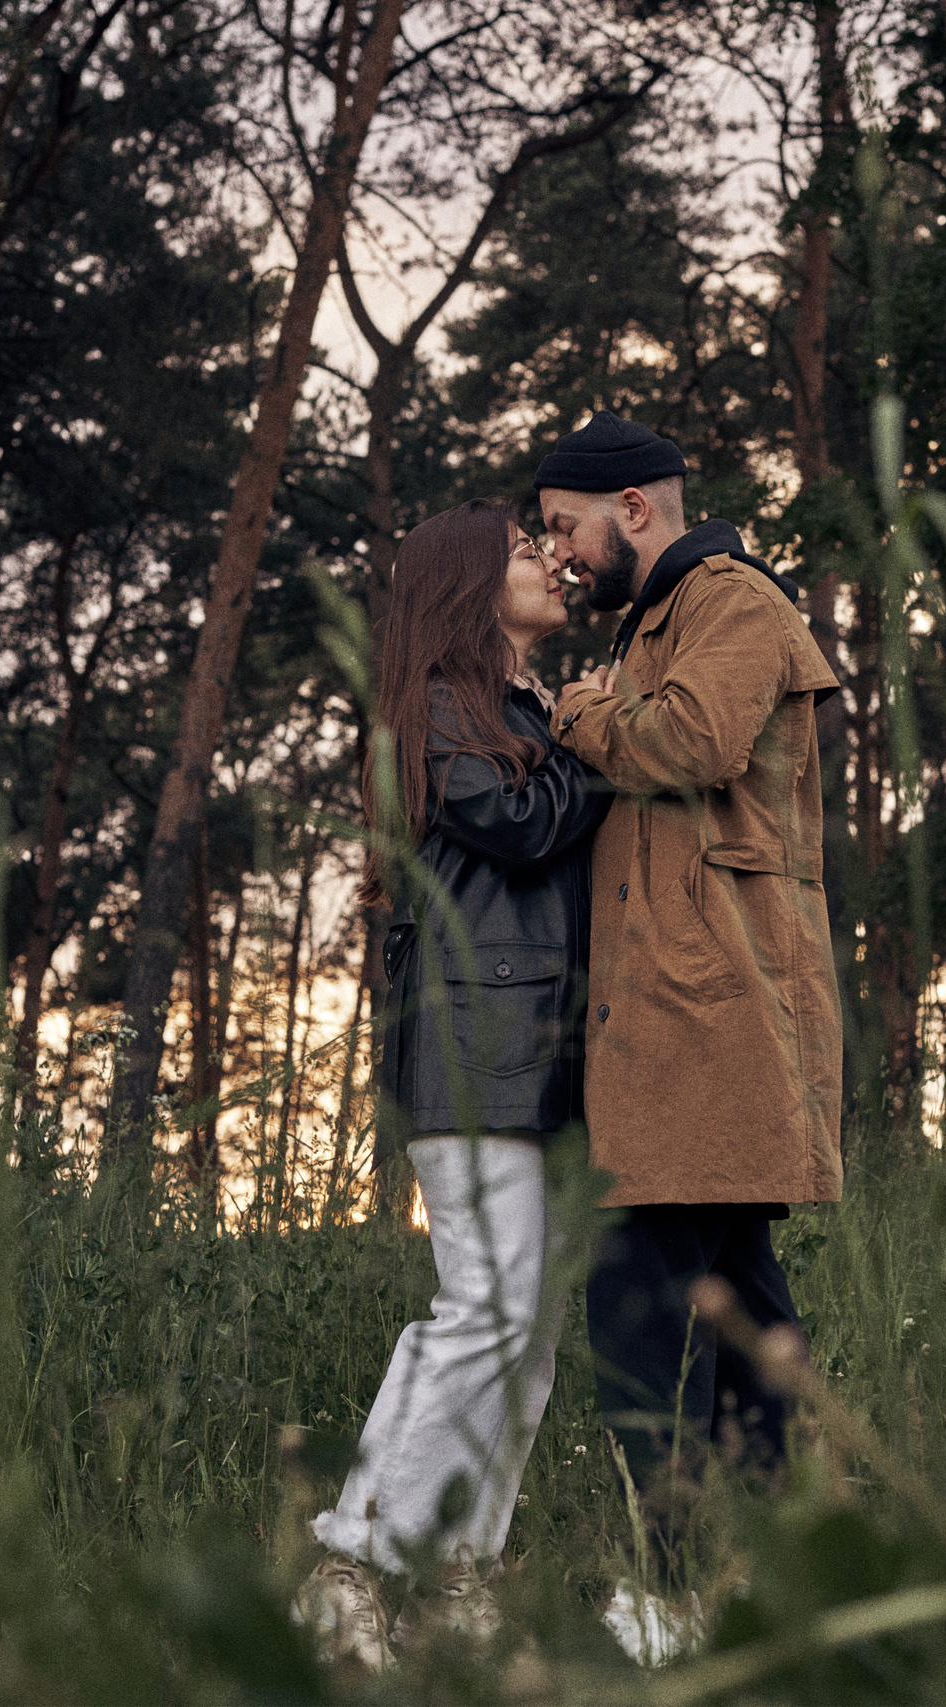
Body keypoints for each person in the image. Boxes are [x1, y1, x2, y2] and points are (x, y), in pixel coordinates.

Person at [531, 413, 842, 1663]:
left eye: (566, 527)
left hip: (711, 1020)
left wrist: (578, 712)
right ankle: (778, 1586)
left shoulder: (732, 602)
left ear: (635, 510)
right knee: (737, 1310)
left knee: (647, 1309)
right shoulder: (655, 624)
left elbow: (691, 742)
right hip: (677, 1023)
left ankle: (671, 1597)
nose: (560, 555)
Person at [295, 499, 609, 1668]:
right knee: (486, 1308)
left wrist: (571, 726)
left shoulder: (526, 706)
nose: (552, 564)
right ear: (471, 585)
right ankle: (350, 1566)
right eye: (528, 552)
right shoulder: (435, 705)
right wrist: (598, 745)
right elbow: (517, 824)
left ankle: (458, 1571)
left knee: (529, 1329)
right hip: (473, 1048)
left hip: (543, 1052)